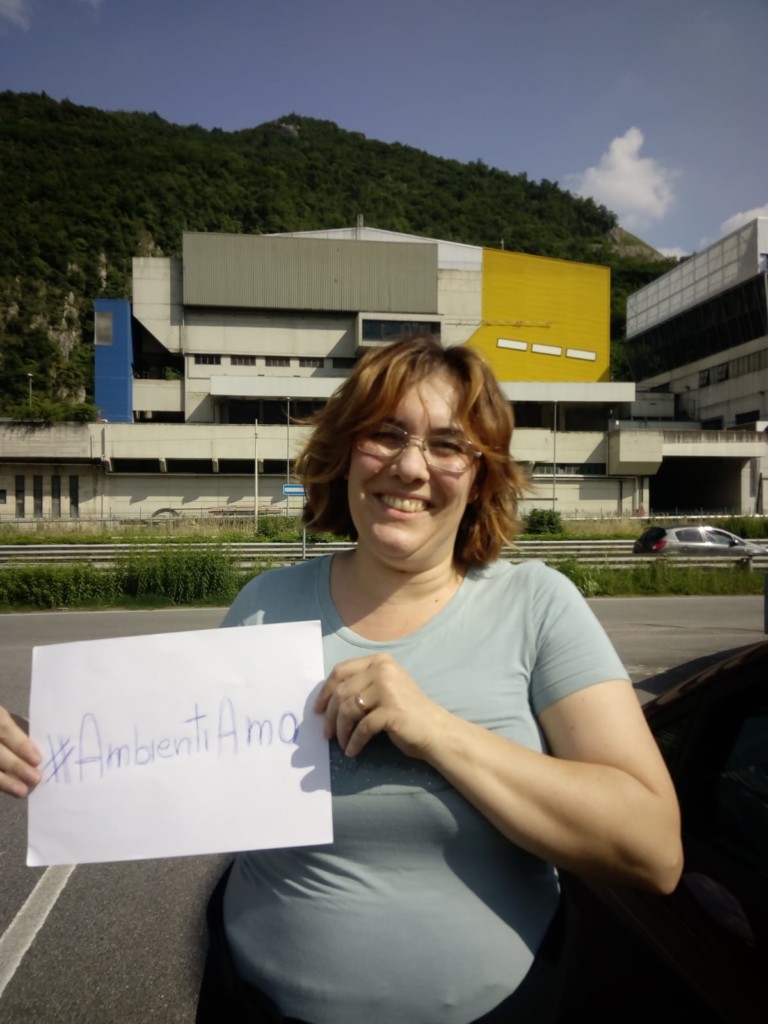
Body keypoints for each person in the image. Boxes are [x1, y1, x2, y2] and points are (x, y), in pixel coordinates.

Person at [0, 336, 683, 1024]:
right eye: (385, 434)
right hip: (254, 1004)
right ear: (347, 451)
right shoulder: (267, 603)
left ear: (479, 476)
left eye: (448, 445)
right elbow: (168, 760)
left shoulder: (537, 605)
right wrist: (39, 751)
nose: (410, 467)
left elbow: (652, 850)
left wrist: (438, 732)